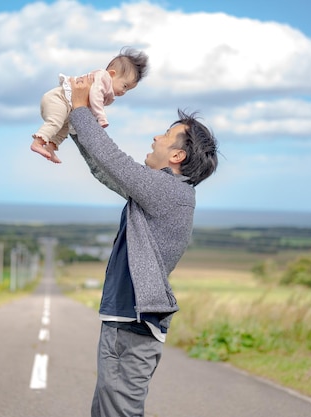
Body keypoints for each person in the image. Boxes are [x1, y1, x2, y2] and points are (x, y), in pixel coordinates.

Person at [68, 73, 219, 417]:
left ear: (178, 154)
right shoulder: (163, 190)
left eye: (165, 135)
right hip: (124, 324)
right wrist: (77, 124)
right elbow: (106, 170)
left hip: (131, 329)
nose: (155, 137)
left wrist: (79, 109)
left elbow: (114, 162)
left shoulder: (170, 191)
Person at [31, 47, 149, 164]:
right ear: (112, 74)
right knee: (55, 122)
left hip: (67, 108)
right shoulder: (102, 78)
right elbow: (95, 97)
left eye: (128, 90)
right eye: (124, 86)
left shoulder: (107, 91)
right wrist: (101, 118)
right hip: (58, 99)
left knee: (63, 130)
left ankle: (50, 148)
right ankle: (37, 142)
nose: (124, 92)